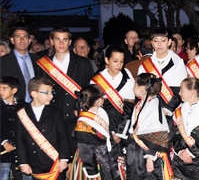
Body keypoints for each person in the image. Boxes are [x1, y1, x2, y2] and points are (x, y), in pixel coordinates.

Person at [67, 85, 128, 180]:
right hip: (90, 162)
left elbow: (106, 134)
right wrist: (91, 170)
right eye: (101, 97)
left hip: (105, 156)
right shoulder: (84, 122)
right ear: (98, 100)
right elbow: (85, 148)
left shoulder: (102, 113)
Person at [16, 77, 70, 180]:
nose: (50, 96)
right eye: (46, 93)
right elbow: (20, 139)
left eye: (51, 92)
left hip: (54, 162)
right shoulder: (22, 113)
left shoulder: (54, 111)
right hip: (34, 162)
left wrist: (64, 159)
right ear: (33, 93)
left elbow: (63, 137)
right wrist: (23, 162)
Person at [35, 27, 95, 157]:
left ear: (69, 42)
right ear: (52, 42)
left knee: (76, 158)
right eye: (57, 39)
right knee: (56, 157)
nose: (61, 43)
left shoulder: (83, 63)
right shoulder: (43, 64)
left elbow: (90, 90)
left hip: (75, 118)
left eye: (64, 40)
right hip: (52, 118)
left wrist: (80, 109)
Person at [126, 73, 173, 180]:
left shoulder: (153, 106)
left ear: (143, 87)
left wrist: (150, 157)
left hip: (147, 154)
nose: (133, 88)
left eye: (135, 85)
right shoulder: (142, 104)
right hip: (136, 153)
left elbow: (157, 134)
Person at [91, 43, 135, 152]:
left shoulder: (128, 79)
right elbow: (93, 110)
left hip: (122, 126)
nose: (119, 65)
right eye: (115, 61)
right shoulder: (96, 81)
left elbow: (129, 108)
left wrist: (120, 133)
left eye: (122, 61)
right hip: (103, 126)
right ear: (107, 60)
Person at [1, 76, 34, 180]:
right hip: (4, 146)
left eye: (4, 88)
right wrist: (4, 142)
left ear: (14, 90)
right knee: (3, 173)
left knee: (27, 171)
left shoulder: (24, 106)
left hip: (21, 146)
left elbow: (28, 126)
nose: (1, 91)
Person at [138, 28, 187, 115]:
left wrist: (167, 110)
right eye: (156, 41)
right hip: (150, 112)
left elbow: (181, 91)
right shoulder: (145, 66)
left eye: (163, 40)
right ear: (152, 43)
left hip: (173, 112)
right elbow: (140, 92)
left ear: (169, 42)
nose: (159, 44)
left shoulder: (178, 63)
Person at [0, 27, 40, 103]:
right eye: (18, 37)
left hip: (35, 105)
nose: (22, 40)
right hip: (12, 106)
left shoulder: (38, 60)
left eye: (25, 37)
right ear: (12, 40)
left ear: (29, 41)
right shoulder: (3, 61)